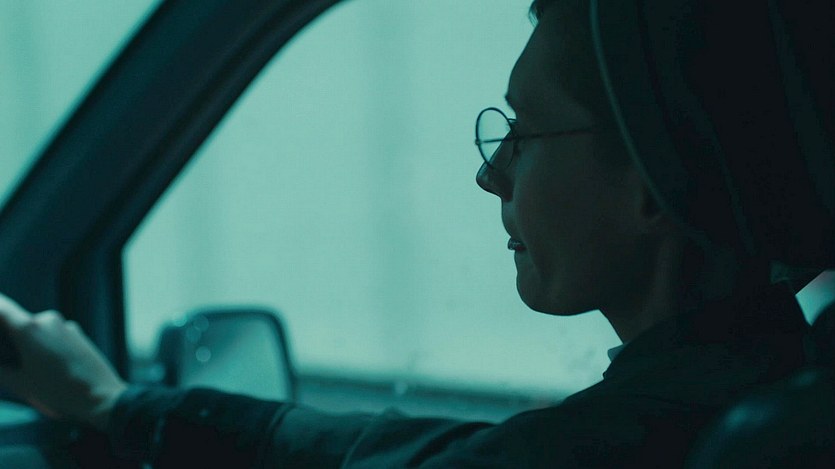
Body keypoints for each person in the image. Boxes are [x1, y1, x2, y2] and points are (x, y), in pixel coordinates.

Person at [0, 0, 832, 467]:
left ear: (655, 182)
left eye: (525, 132)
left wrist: (112, 407)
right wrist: (120, 403)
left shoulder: (620, 444)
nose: (490, 173)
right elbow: (389, 449)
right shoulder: (769, 392)